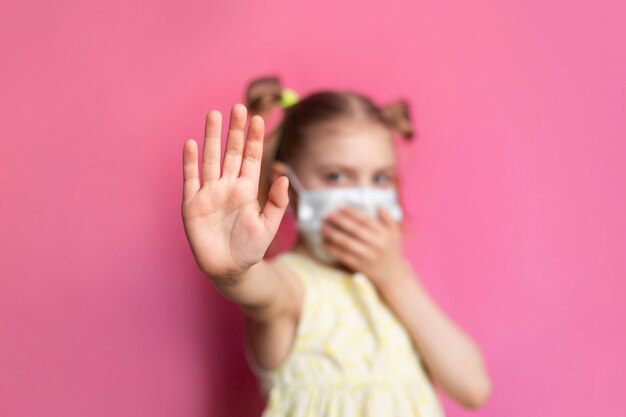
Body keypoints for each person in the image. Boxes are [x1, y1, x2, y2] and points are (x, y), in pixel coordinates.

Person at [181, 76, 492, 416]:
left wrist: (394, 278)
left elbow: (473, 388)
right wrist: (233, 273)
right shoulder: (293, 289)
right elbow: (260, 290)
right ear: (287, 182)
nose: (363, 197)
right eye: (336, 176)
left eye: (380, 178)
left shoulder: (395, 284)